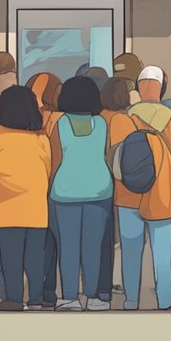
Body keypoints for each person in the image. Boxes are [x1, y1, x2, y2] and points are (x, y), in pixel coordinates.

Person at [0, 85, 52, 311]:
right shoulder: (41, 138)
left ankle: (15, 299)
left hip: (5, 206)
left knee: (11, 257)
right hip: (36, 206)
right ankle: (36, 300)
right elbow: (47, 167)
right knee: (35, 256)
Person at [118, 65, 171, 311]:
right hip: (160, 192)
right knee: (162, 252)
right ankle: (164, 300)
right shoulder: (170, 116)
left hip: (127, 194)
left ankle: (130, 300)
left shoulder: (125, 116)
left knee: (131, 251)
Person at [48, 77, 114, 311]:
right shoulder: (102, 124)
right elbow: (106, 157)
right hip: (99, 191)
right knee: (92, 246)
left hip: (65, 192)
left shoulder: (61, 124)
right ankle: (94, 297)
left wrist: (48, 188)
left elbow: (55, 161)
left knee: (68, 246)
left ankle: (69, 297)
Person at [100, 77, 140, 305]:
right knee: (121, 241)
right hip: (122, 190)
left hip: (99, 186)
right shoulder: (124, 121)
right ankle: (120, 290)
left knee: (103, 241)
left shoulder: (99, 119)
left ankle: (101, 287)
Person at [28, 72, 63, 309]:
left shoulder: (57, 121)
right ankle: (41, 292)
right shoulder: (33, 122)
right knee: (42, 244)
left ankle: (45, 291)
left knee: (48, 244)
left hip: (52, 189)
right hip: (40, 190)